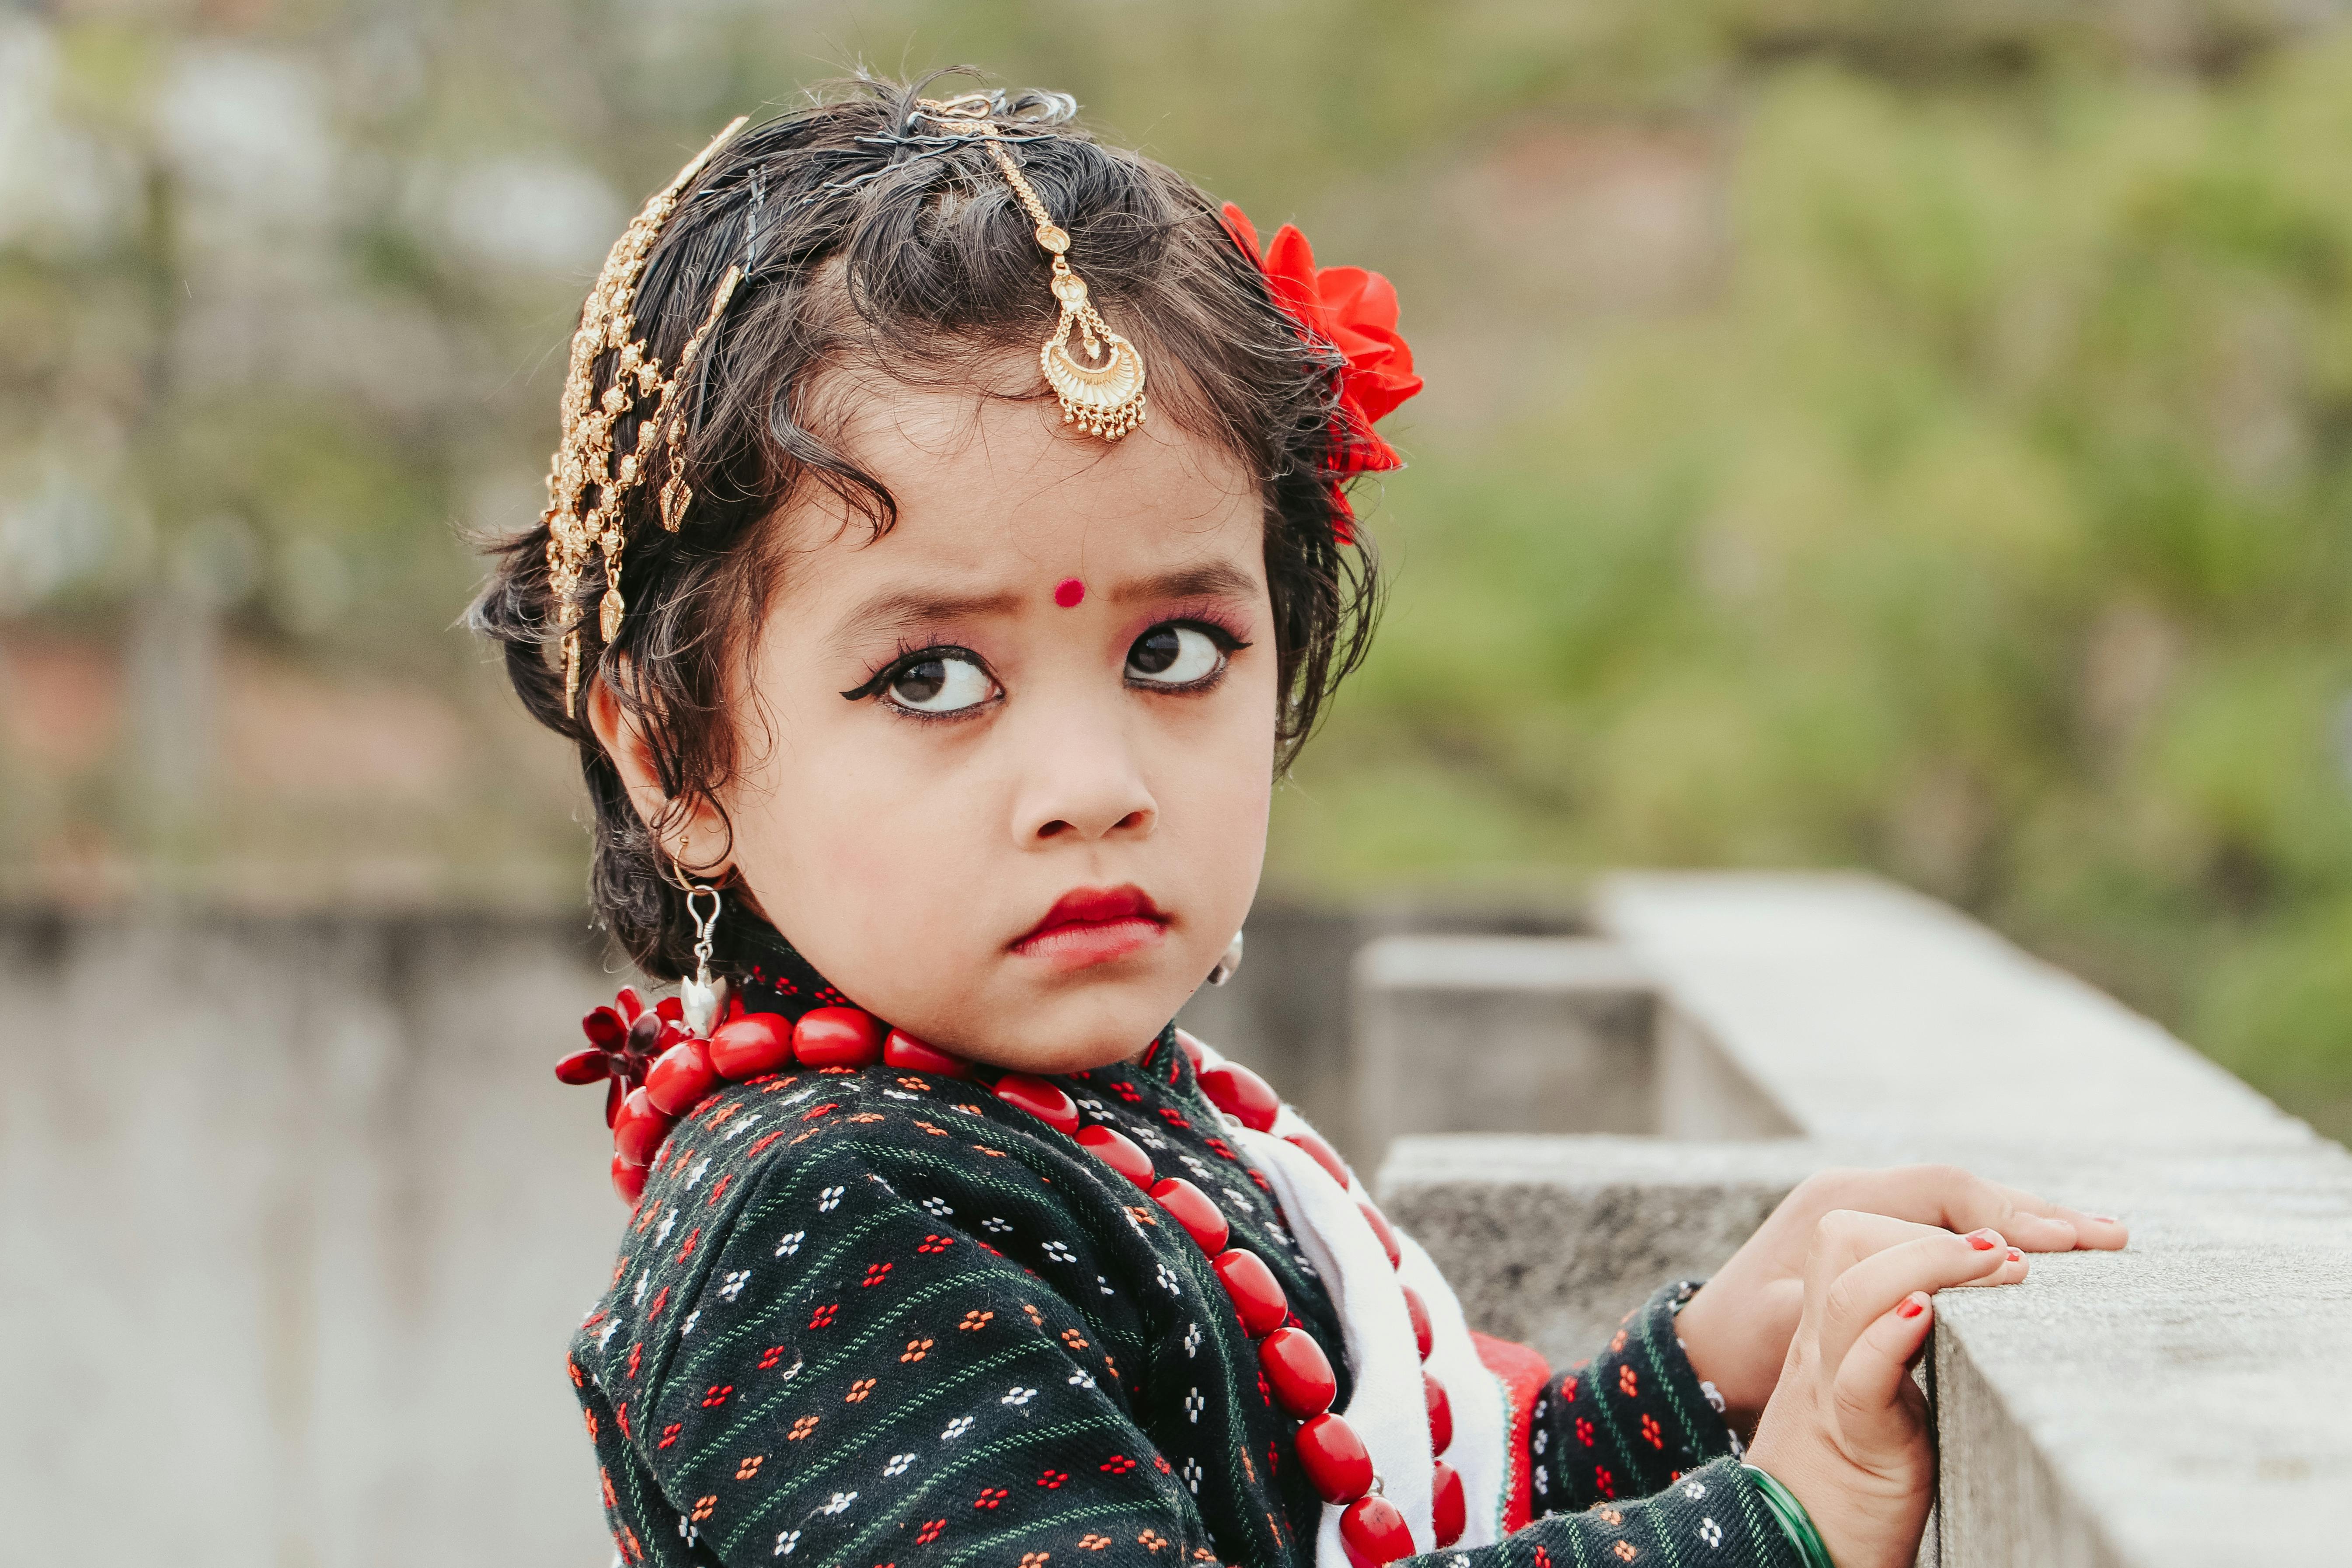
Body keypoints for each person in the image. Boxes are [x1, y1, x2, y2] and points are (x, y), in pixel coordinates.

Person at [473, 76, 2126, 1568]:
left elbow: (1372, 1518)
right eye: (931, 677)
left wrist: (1699, 1379)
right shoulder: (822, 1226)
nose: (1092, 780)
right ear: (675, 752)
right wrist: (1767, 1524)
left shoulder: (1091, 1115)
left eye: (1173, 650)